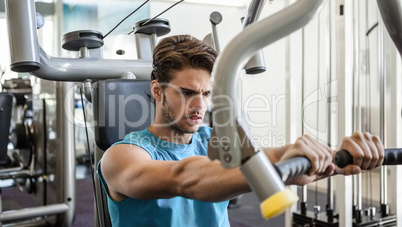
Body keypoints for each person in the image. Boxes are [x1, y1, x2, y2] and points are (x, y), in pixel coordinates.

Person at [98, 34, 384, 227]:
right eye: (187, 93)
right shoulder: (121, 157)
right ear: (157, 90)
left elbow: (274, 154)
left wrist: (338, 155)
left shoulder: (213, 139)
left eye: (207, 94)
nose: (200, 105)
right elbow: (185, 178)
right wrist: (278, 167)